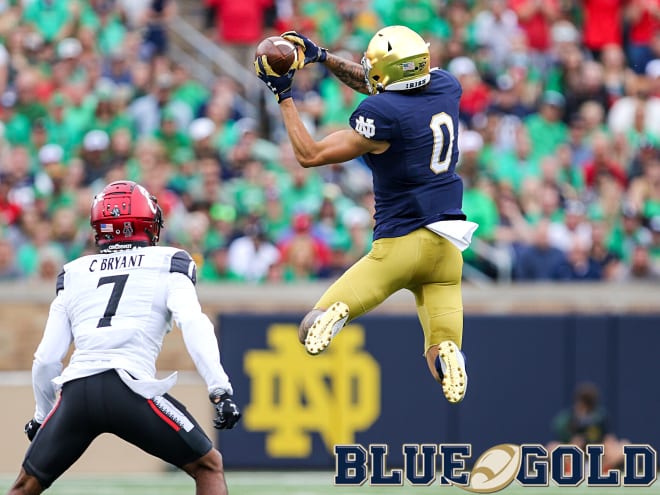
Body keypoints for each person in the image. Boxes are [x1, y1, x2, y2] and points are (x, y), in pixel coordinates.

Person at [255, 26, 478, 404]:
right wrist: (321, 56)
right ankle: (450, 356)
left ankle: (336, 314)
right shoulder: (445, 86)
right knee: (438, 349)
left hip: (399, 247)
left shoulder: (381, 116)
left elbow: (310, 154)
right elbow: (382, 83)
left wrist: (284, 94)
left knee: (312, 323)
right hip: (447, 250)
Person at [7, 180, 241, 495]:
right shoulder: (170, 261)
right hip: (129, 387)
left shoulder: (74, 272)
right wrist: (219, 389)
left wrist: (42, 415)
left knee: (25, 485)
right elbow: (194, 323)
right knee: (208, 466)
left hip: (77, 392)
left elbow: (47, 359)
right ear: (147, 222)